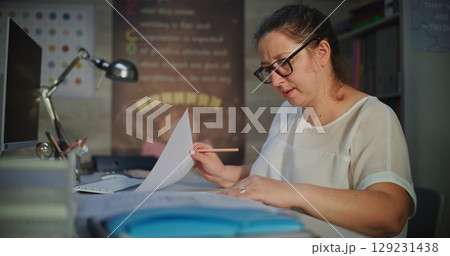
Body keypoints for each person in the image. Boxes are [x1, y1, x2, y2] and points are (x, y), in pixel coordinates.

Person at [190, 4, 416, 238]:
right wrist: (224, 173)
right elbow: (276, 171)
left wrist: (290, 192)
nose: (276, 81)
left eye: (283, 63)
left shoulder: (373, 117)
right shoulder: (289, 110)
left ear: (322, 53)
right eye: (268, 70)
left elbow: (391, 214)